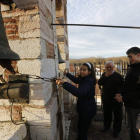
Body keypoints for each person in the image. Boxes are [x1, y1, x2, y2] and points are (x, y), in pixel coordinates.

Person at [56, 62, 97, 140]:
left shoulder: (89, 81)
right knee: (80, 128)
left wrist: (65, 83)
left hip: (88, 110)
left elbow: (79, 92)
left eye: (84, 70)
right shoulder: (84, 78)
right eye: (81, 69)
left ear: (89, 72)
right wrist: (67, 74)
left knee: (83, 132)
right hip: (84, 108)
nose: (81, 71)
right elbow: (76, 80)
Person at [115, 47, 140, 140]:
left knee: (138, 130)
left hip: (137, 106)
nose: (129, 59)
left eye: (130, 57)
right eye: (128, 57)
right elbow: (126, 84)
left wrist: (123, 98)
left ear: (138, 55)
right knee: (132, 129)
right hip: (130, 104)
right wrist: (120, 93)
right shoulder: (132, 68)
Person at [98, 61, 123, 138]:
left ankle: (116, 130)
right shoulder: (104, 75)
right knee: (106, 114)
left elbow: (123, 87)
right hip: (106, 98)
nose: (109, 69)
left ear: (114, 67)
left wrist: (119, 93)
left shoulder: (119, 76)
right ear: (105, 68)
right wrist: (105, 76)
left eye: (110, 67)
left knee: (118, 116)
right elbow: (99, 83)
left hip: (116, 99)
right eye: (107, 67)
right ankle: (106, 126)